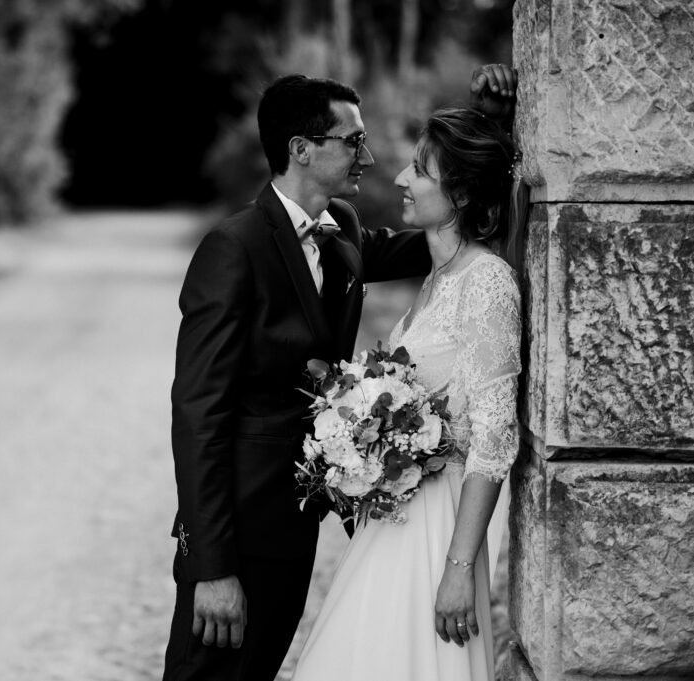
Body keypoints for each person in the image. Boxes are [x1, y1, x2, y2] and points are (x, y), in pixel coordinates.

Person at [162, 66, 517, 681]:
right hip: (238, 537)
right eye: (352, 141)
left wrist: (492, 127)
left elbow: (464, 228)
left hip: (298, 530)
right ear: (302, 149)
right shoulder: (232, 250)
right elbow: (198, 417)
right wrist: (211, 567)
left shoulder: (344, 233)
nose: (370, 155)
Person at [290, 102, 522, 680]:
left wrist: (459, 568)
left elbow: (493, 442)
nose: (399, 179)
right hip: (394, 518)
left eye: (419, 170)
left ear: (462, 194)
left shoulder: (488, 281)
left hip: (437, 528)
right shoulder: (440, 278)